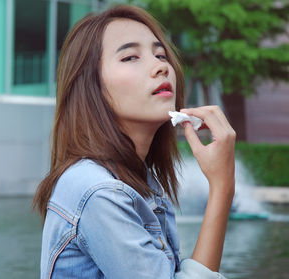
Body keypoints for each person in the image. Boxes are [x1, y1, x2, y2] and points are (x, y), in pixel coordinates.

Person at [32, 4, 236, 279]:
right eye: (130, 57)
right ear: (91, 88)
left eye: (160, 54)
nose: (161, 66)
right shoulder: (99, 191)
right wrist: (222, 187)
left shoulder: (139, 183)